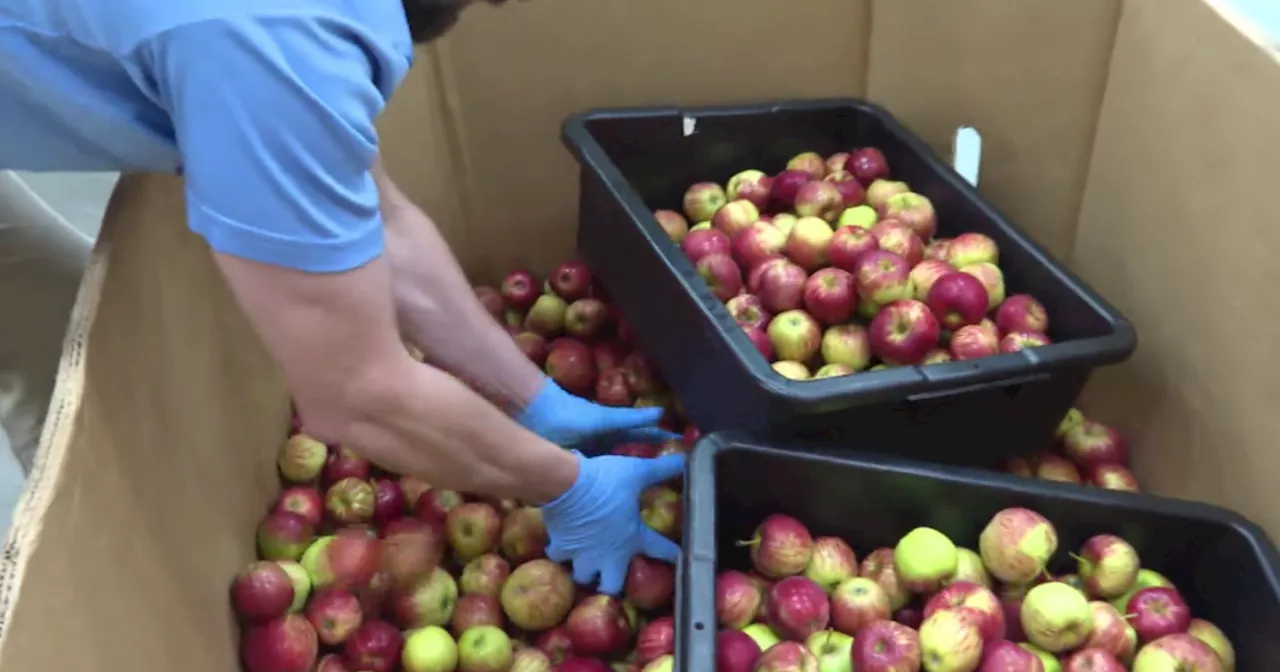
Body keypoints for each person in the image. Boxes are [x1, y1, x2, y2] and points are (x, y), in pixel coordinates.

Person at [0, 0, 685, 594]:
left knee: (68, 336)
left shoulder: (286, 45)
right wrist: (569, 488)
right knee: (73, 378)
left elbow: (380, 220)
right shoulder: (270, 48)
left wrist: (531, 400)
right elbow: (358, 393)